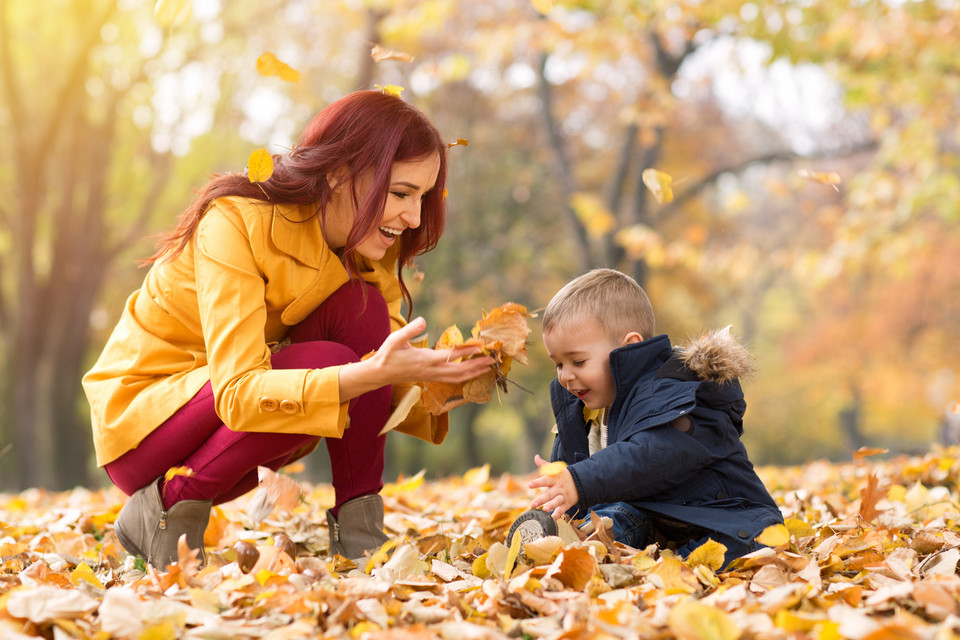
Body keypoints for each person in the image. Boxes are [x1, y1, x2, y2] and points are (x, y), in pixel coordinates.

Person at [83, 90, 495, 568]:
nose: (415, 218)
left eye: (422, 198)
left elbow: (387, 373)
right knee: (331, 370)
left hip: (236, 433)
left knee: (359, 314)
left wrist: (445, 379)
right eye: (401, 193)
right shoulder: (235, 221)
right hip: (147, 427)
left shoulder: (363, 253)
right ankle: (164, 509)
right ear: (340, 174)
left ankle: (359, 533)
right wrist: (363, 374)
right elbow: (238, 390)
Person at [507, 268, 782, 569]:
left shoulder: (673, 392)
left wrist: (579, 480)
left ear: (628, 347)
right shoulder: (582, 410)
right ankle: (574, 547)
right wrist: (560, 502)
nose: (566, 376)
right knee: (610, 521)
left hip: (721, 515)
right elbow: (577, 487)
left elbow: (649, 455)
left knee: (748, 544)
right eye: (558, 364)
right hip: (650, 516)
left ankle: (674, 566)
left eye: (578, 361)